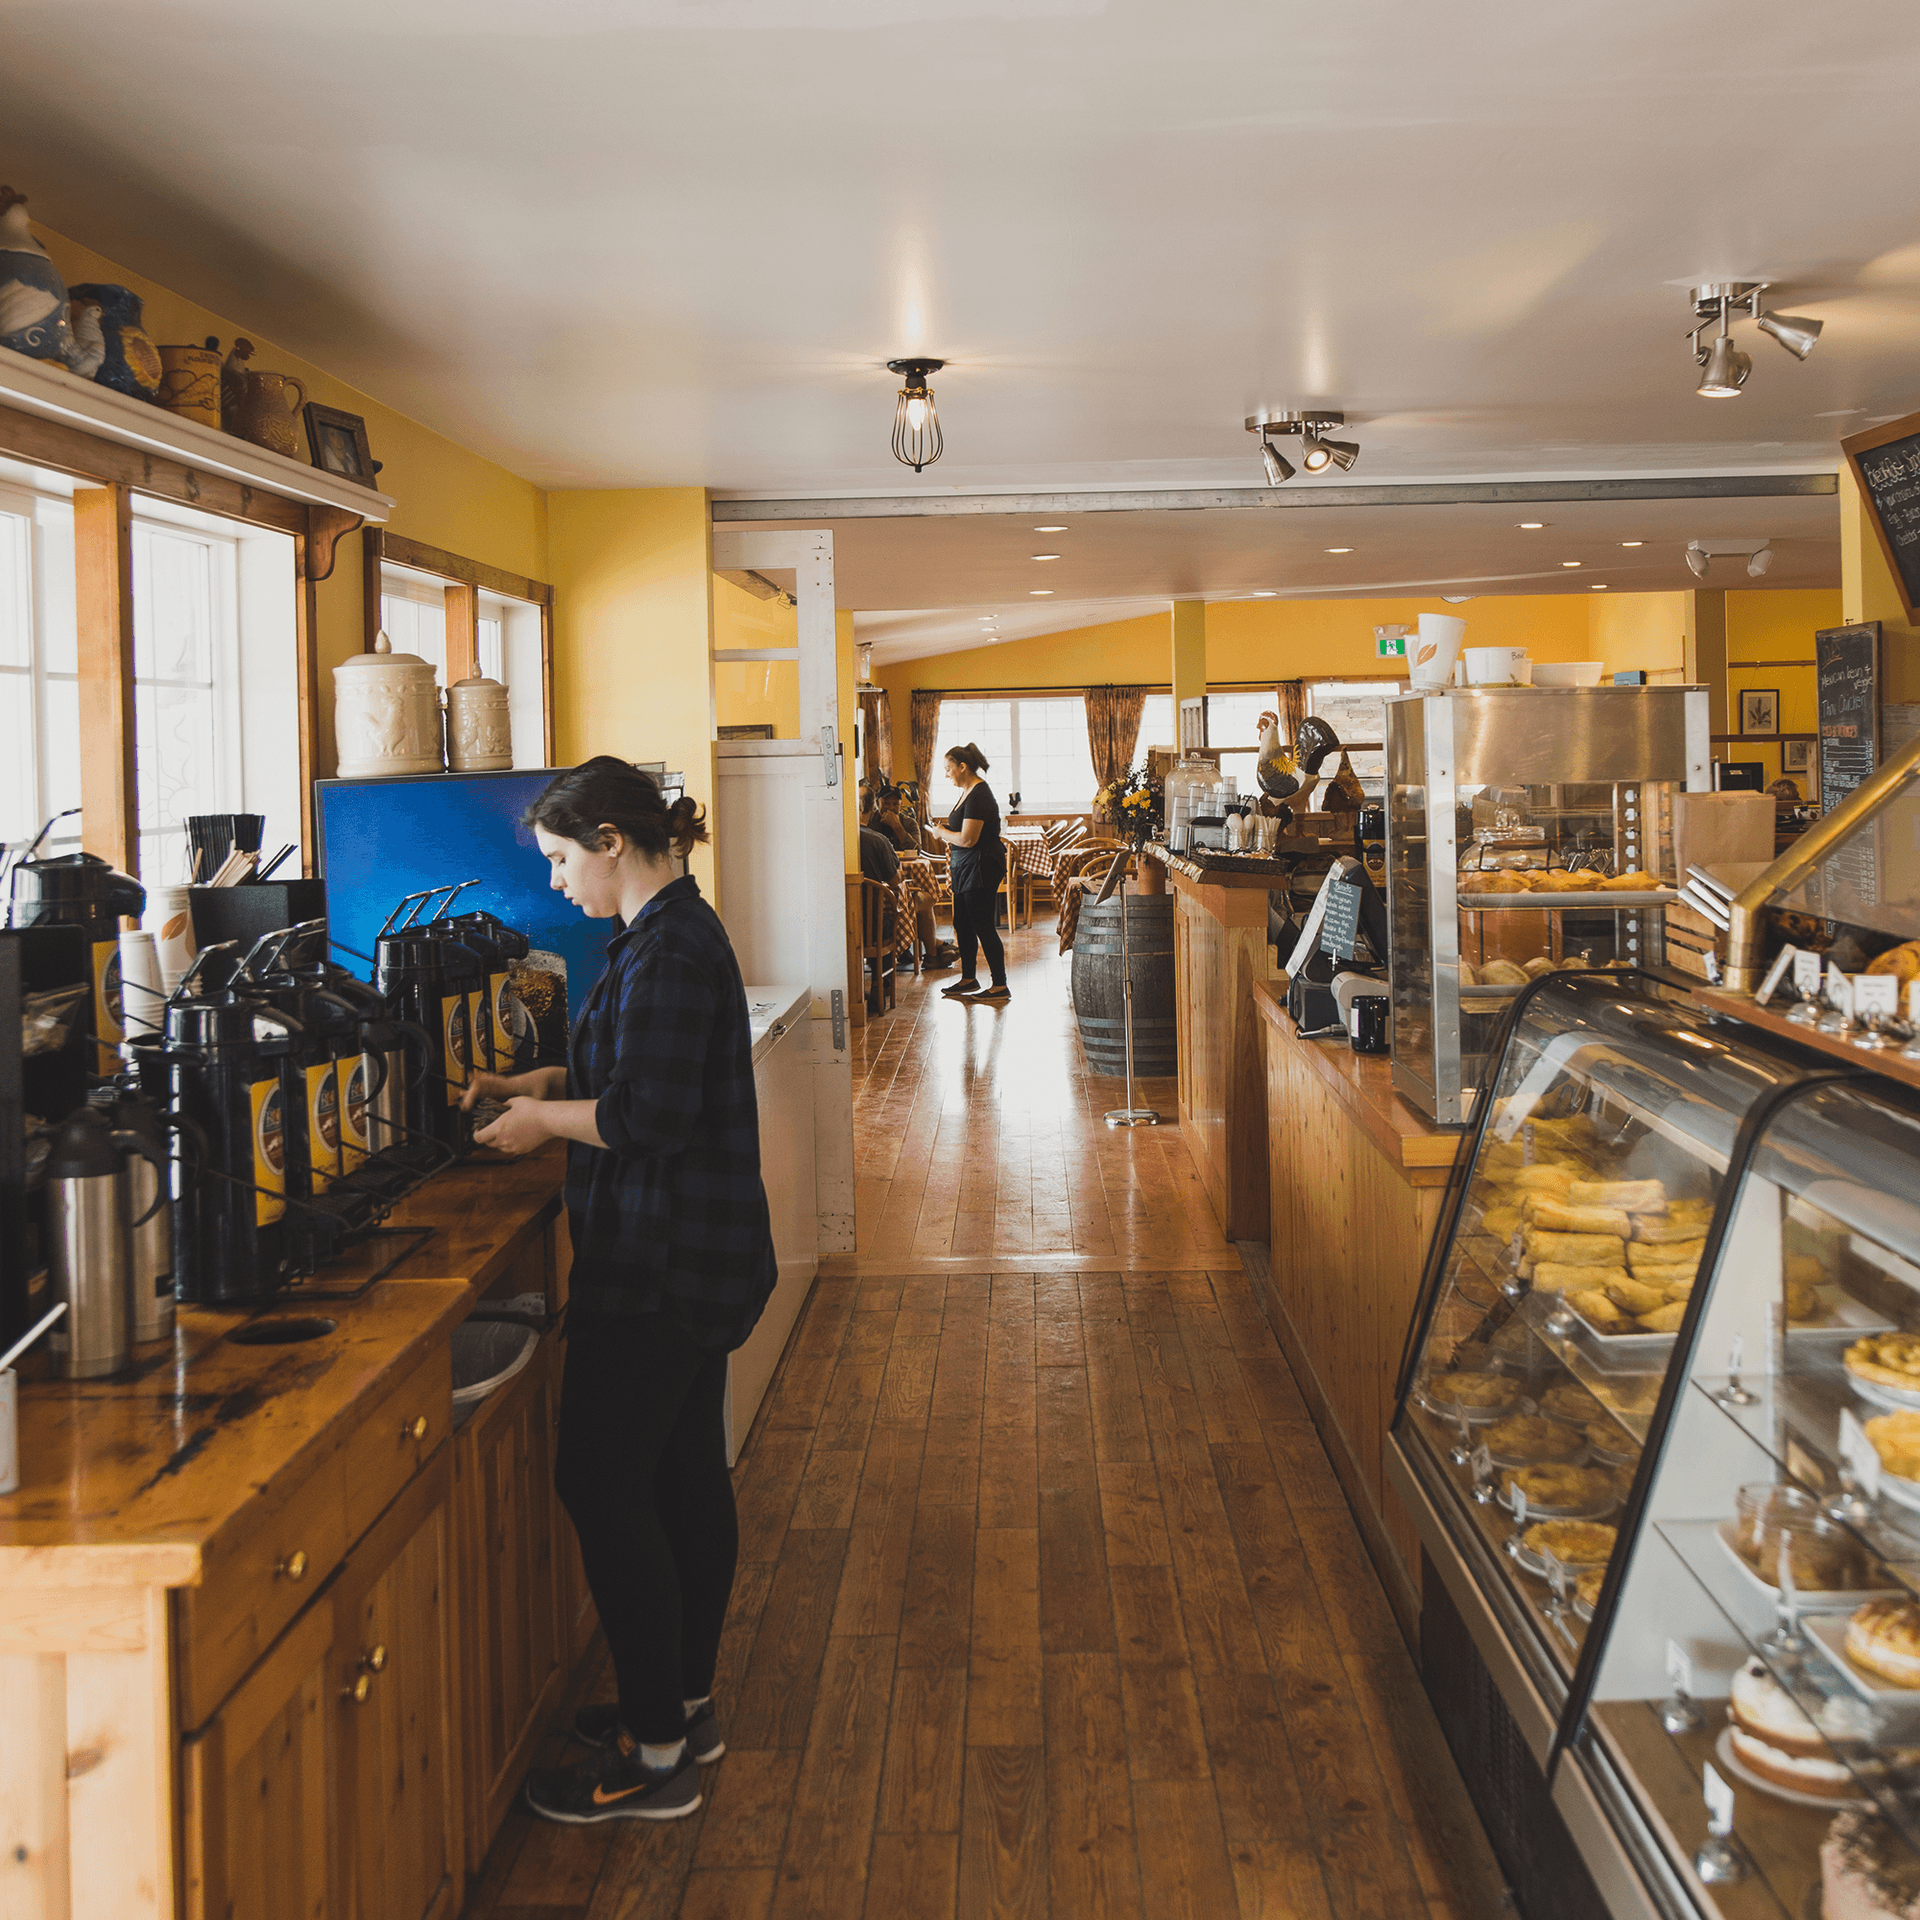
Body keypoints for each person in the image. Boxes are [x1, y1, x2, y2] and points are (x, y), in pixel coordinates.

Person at [460, 756, 776, 1825]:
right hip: (683, 1256)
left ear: (609, 842)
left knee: (601, 1483)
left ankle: (654, 1762)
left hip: (661, 1263)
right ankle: (682, 1709)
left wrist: (544, 1125)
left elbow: (646, 1117)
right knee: (683, 1475)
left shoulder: (673, 950)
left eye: (558, 860)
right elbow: (620, 1069)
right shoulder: (656, 935)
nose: (554, 884)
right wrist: (532, 1085)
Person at [925, 742, 1009, 1002]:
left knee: (983, 925)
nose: (947, 774)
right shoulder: (967, 791)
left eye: (949, 768)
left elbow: (969, 839)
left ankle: (999, 985)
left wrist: (941, 833)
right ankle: (969, 978)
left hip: (981, 867)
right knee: (962, 924)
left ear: (962, 767)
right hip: (965, 868)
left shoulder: (980, 794)